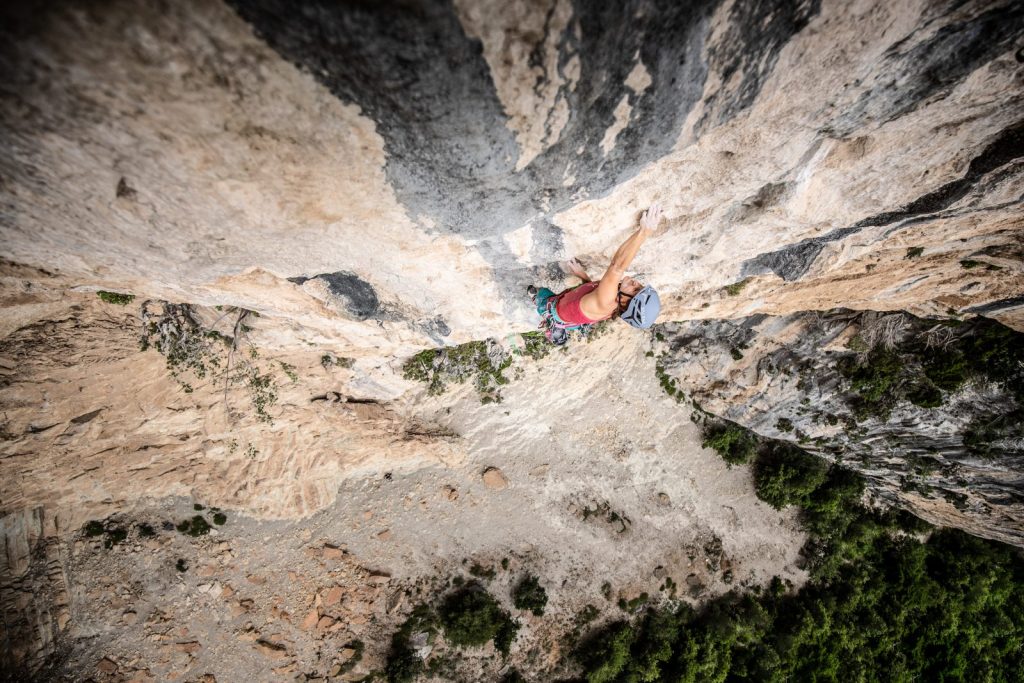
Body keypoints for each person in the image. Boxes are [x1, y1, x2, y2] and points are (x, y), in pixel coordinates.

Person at [531, 203, 663, 343]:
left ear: (624, 302)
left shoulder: (607, 301)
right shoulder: (615, 305)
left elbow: (617, 267)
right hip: (572, 316)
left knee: (538, 292)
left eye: (635, 290)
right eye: (640, 286)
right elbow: (595, 294)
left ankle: (538, 303)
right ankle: (560, 330)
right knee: (567, 319)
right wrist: (582, 275)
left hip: (555, 310)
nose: (636, 283)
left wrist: (644, 232)